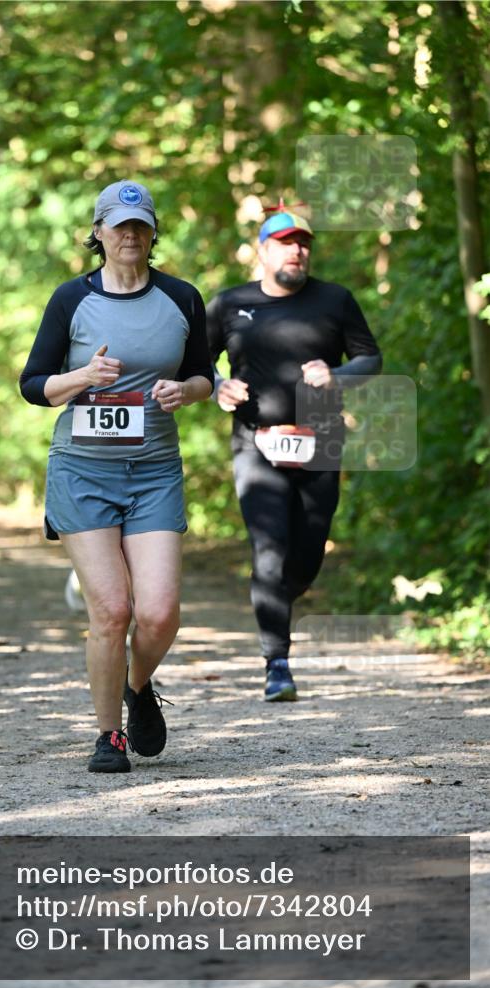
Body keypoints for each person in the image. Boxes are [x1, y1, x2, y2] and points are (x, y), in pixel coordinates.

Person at [20, 180, 213, 774]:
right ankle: (110, 737)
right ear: (98, 234)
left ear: (153, 234)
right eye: (118, 225)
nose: (130, 234)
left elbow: (206, 374)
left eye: (140, 225)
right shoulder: (70, 300)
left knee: (159, 613)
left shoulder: (181, 298)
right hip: (83, 470)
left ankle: (137, 686)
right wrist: (83, 377)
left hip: (154, 470)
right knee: (111, 609)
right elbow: (34, 386)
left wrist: (186, 389)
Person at [207, 202, 382, 702]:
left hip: (321, 439)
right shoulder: (230, 303)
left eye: (303, 243)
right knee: (268, 549)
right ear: (263, 251)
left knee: (303, 559)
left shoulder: (335, 300)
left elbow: (370, 357)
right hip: (256, 441)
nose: (297, 251)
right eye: (285, 242)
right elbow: (196, 364)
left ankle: (281, 598)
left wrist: (338, 375)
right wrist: (219, 385)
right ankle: (277, 663)